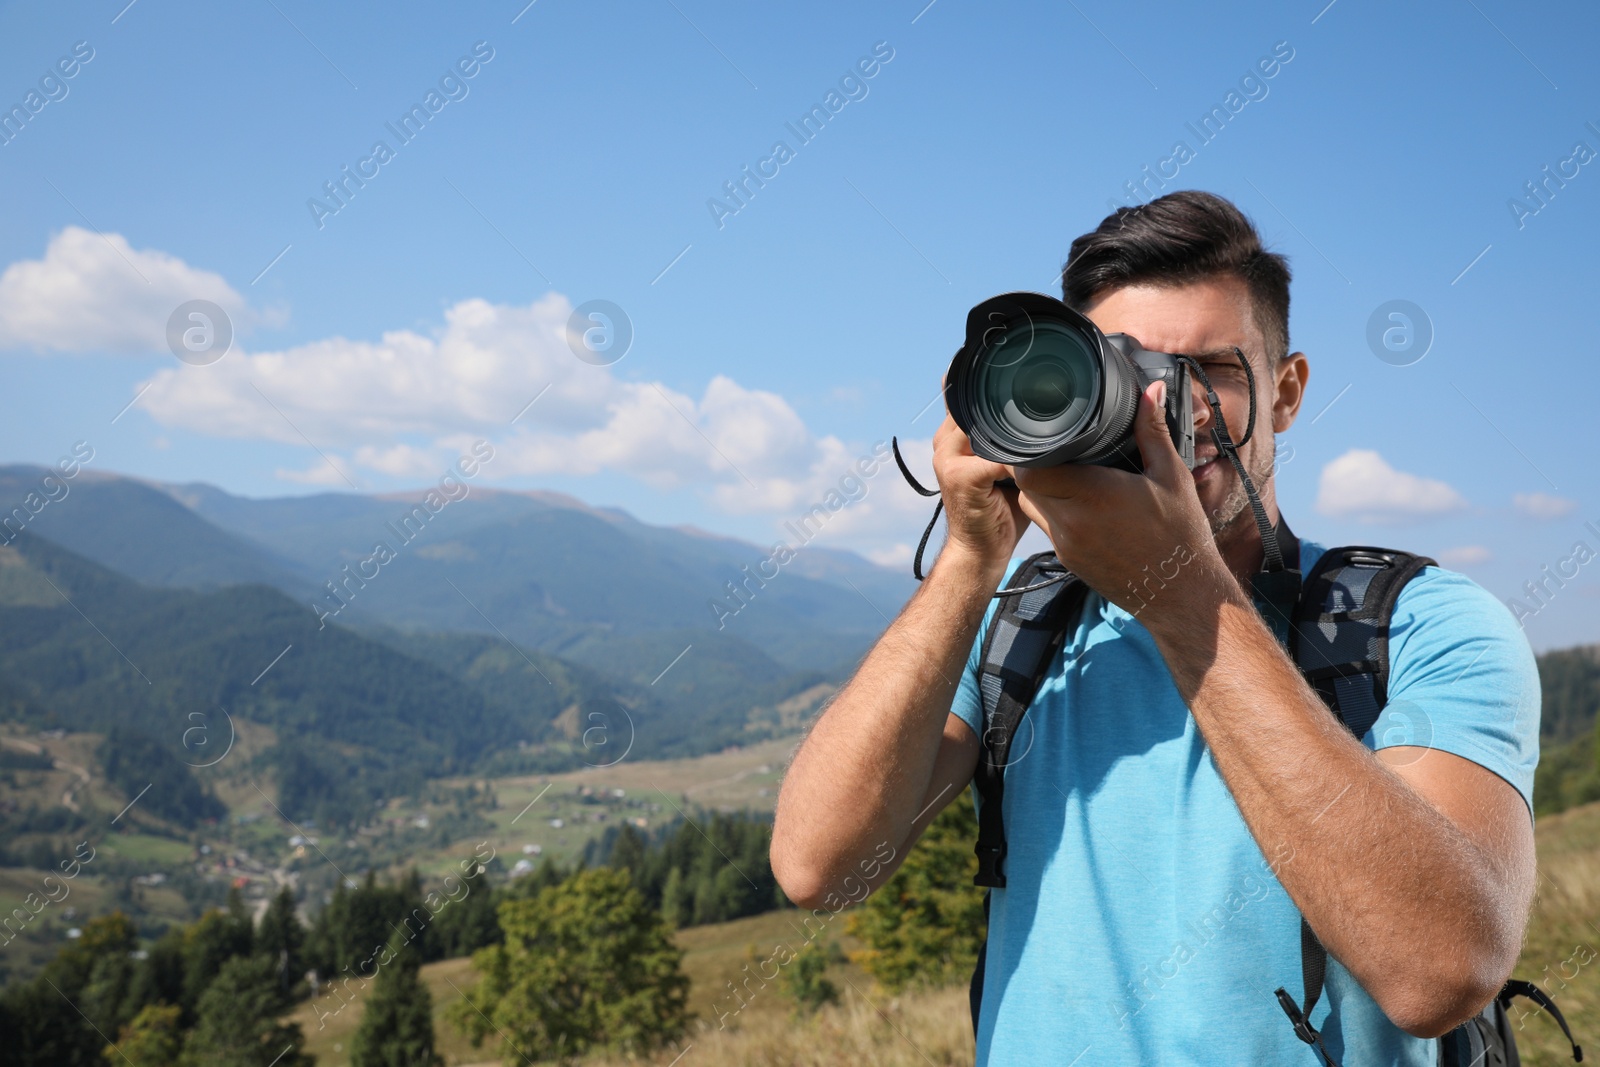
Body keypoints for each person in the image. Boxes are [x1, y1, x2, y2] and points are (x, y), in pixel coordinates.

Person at [769, 190, 1539, 1064]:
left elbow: (1441, 971)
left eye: (1211, 367)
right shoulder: (1018, 625)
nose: (1173, 407)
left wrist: (1180, 595)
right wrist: (971, 558)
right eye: (1130, 369)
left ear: (1287, 393)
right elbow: (818, 868)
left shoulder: (1419, 625)